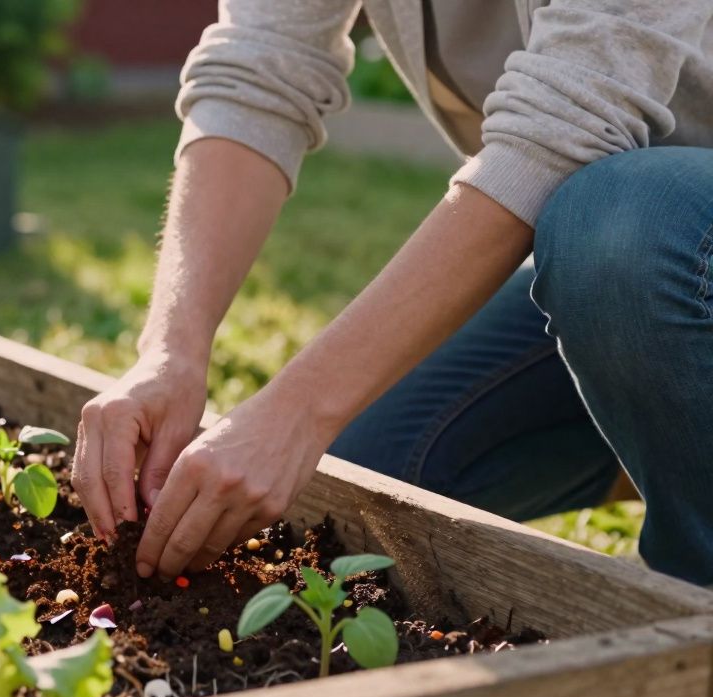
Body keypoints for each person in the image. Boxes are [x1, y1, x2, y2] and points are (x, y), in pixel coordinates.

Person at [71, 1, 713, 585]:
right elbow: (259, 68)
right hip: (626, 289)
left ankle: (692, 616)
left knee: (622, 219)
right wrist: (169, 352)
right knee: (365, 492)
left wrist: (295, 415)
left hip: (640, 241)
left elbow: (563, 131)